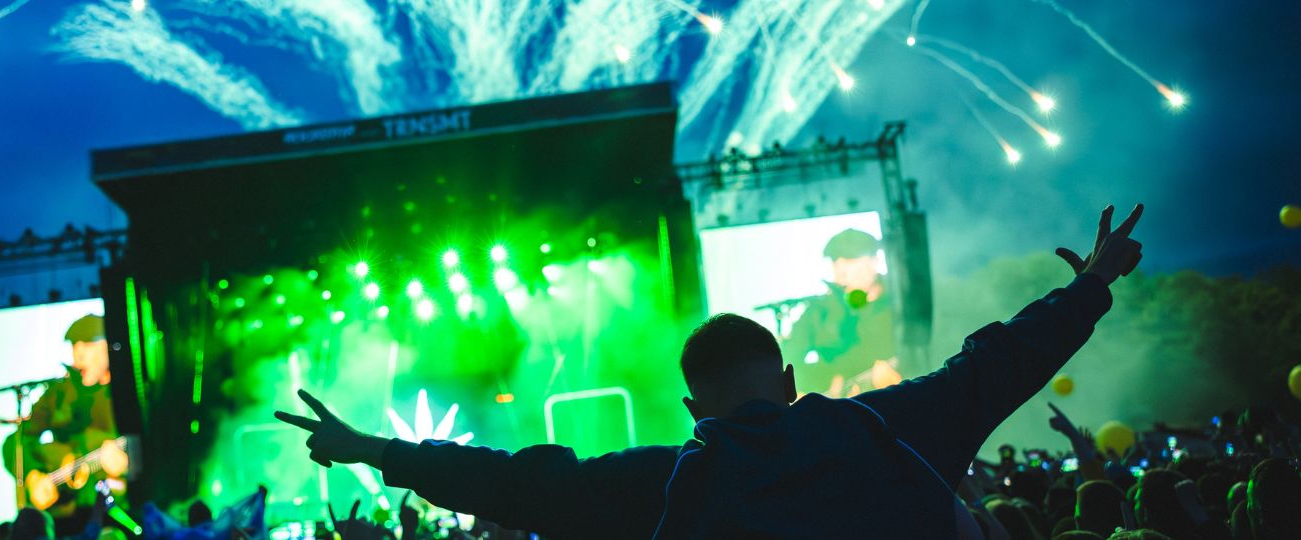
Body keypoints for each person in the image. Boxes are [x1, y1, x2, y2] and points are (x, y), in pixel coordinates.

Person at [276, 205, 1145, 537]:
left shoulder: (670, 484)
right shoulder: (883, 429)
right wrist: (1091, 285)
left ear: (694, 406)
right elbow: (994, 366)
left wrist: (371, 448)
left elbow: (512, 484)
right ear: (793, 381)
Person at [3, 315, 129, 515]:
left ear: (109, 345)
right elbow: (13, 443)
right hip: (66, 516)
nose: (77, 354)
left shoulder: (128, 391)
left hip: (117, 514)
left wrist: (127, 465)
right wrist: (32, 475)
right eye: (73, 345)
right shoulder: (59, 393)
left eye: (87, 343)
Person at [781, 228, 899, 396]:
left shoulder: (900, 304)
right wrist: (805, 389)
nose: (841, 272)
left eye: (850, 260)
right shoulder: (819, 311)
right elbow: (788, 358)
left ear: (874, 261)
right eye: (835, 262)